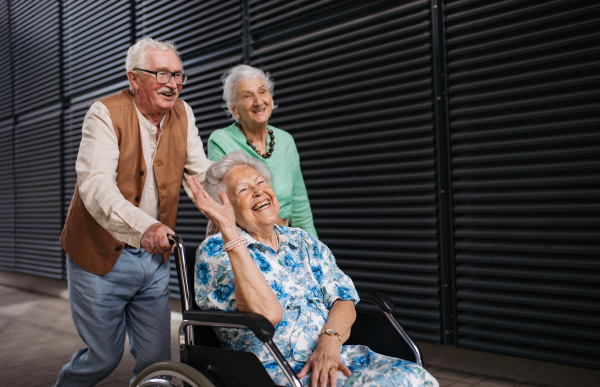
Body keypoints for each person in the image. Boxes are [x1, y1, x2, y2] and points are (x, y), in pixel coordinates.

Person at [187, 151, 438, 387]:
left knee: (415, 377)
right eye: (243, 189)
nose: (258, 192)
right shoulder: (217, 250)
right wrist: (229, 230)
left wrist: (329, 342)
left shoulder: (301, 240)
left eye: (260, 182)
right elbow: (267, 315)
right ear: (225, 206)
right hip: (273, 368)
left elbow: (343, 296)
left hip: (332, 355)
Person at [56, 37, 212, 386]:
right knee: (102, 357)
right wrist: (146, 227)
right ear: (133, 78)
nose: (173, 84)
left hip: (152, 260)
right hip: (98, 257)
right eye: (161, 74)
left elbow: (201, 176)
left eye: (178, 75)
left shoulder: (183, 114)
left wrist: (240, 206)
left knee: (157, 364)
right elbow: (95, 185)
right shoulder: (104, 113)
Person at [207, 64, 318, 237]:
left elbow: (299, 205)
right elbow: (230, 205)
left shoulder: (285, 140)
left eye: (262, 92)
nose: (258, 101)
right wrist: (285, 237)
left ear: (271, 99)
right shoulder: (221, 140)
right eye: (247, 96)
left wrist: (314, 247)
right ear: (234, 110)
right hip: (239, 238)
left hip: (284, 238)